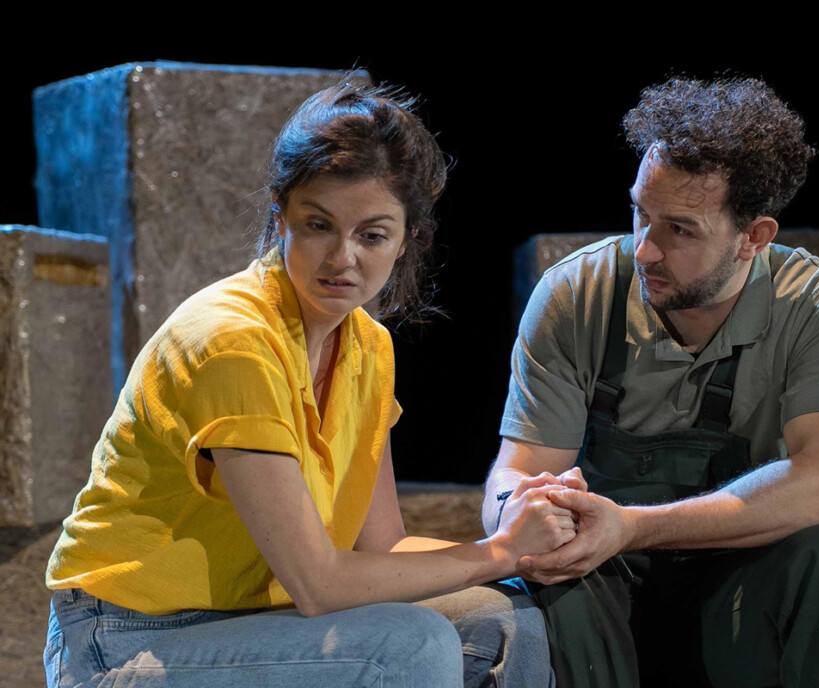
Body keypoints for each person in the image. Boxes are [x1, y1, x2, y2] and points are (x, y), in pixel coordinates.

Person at [44, 79, 568, 688]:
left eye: (372, 235)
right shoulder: (233, 342)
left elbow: (381, 552)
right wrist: (498, 552)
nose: (342, 257)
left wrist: (524, 542)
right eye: (319, 225)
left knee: (505, 620)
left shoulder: (368, 348)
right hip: (120, 639)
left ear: (406, 240)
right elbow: (319, 585)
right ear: (281, 214)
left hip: (256, 623)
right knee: (408, 644)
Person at [483, 76, 819, 688]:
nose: (645, 250)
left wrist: (633, 526)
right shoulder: (577, 294)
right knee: (544, 579)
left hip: (741, 590)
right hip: (605, 586)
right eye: (640, 213)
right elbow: (517, 469)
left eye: (679, 229)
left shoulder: (816, 304)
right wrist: (519, 508)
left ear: (753, 237)